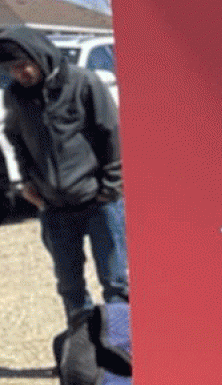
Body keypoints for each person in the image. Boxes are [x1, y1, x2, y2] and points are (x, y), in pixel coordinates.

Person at [0, 25, 128, 323]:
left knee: (115, 283)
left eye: (23, 65)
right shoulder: (17, 97)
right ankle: (83, 355)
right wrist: (26, 182)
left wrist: (109, 187)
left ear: (39, 56)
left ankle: (121, 353)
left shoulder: (83, 83)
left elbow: (110, 135)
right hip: (54, 208)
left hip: (99, 202)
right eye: (12, 69)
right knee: (70, 287)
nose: (20, 73)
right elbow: (15, 138)